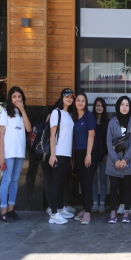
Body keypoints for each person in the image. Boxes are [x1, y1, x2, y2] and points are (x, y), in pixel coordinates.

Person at [0, 87, 32, 222]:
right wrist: (1, 155)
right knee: (6, 180)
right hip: (8, 152)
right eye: (14, 97)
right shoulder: (5, 112)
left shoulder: (22, 113)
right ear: (10, 98)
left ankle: (11, 209)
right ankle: (3, 211)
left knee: (15, 181)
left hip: (20, 152)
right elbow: (1, 135)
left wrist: (22, 110)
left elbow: (29, 129)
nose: (17, 99)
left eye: (19, 96)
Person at [106, 96, 131, 224]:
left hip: (128, 162)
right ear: (118, 106)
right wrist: (116, 160)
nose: (125, 107)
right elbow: (109, 143)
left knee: (127, 187)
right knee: (114, 187)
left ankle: (126, 212)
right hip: (113, 162)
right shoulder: (112, 122)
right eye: (122, 104)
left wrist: (125, 160)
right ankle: (113, 213)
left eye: (127, 105)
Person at [46, 88, 76, 225]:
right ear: (62, 97)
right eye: (66, 96)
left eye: (71, 97)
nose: (69, 99)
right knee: (56, 182)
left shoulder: (69, 114)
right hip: (58, 152)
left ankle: (60, 208)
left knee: (62, 182)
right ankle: (53, 214)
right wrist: (52, 154)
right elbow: (52, 135)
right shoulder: (56, 112)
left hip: (67, 154)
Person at [72, 92, 98, 225]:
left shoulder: (89, 116)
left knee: (87, 182)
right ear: (75, 102)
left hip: (89, 153)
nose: (80, 102)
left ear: (86, 103)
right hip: (77, 153)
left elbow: (91, 134)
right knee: (82, 182)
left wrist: (88, 154)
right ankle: (84, 208)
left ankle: (88, 212)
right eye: (78, 100)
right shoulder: (73, 117)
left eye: (83, 100)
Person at [91, 97, 109, 212]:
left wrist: (108, 155)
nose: (99, 108)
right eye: (97, 105)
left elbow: (109, 140)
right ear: (94, 107)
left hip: (104, 155)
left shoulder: (107, 122)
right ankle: (94, 202)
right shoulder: (90, 120)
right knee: (93, 179)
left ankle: (102, 203)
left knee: (103, 178)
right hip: (92, 154)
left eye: (101, 106)